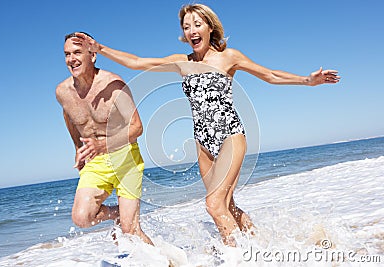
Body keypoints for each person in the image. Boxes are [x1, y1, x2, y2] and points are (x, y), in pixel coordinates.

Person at [74, 3, 340, 246]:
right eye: (186, 27)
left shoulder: (229, 57)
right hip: (203, 143)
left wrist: (307, 80)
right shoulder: (183, 62)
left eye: (197, 24)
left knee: (213, 205)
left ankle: (238, 259)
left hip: (230, 135)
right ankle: (260, 244)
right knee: (228, 206)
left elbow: (269, 75)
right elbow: (138, 62)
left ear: (210, 27)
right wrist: (102, 49)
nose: (192, 31)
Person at [56, 32, 153, 245]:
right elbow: (69, 116)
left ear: (92, 55)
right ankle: (119, 213)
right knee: (82, 217)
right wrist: (76, 147)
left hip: (126, 157)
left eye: (77, 52)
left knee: (130, 230)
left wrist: (103, 144)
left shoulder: (114, 85)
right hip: (95, 161)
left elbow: (137, 127)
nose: (71, 59)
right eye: (67, 54)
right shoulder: (62, 92)